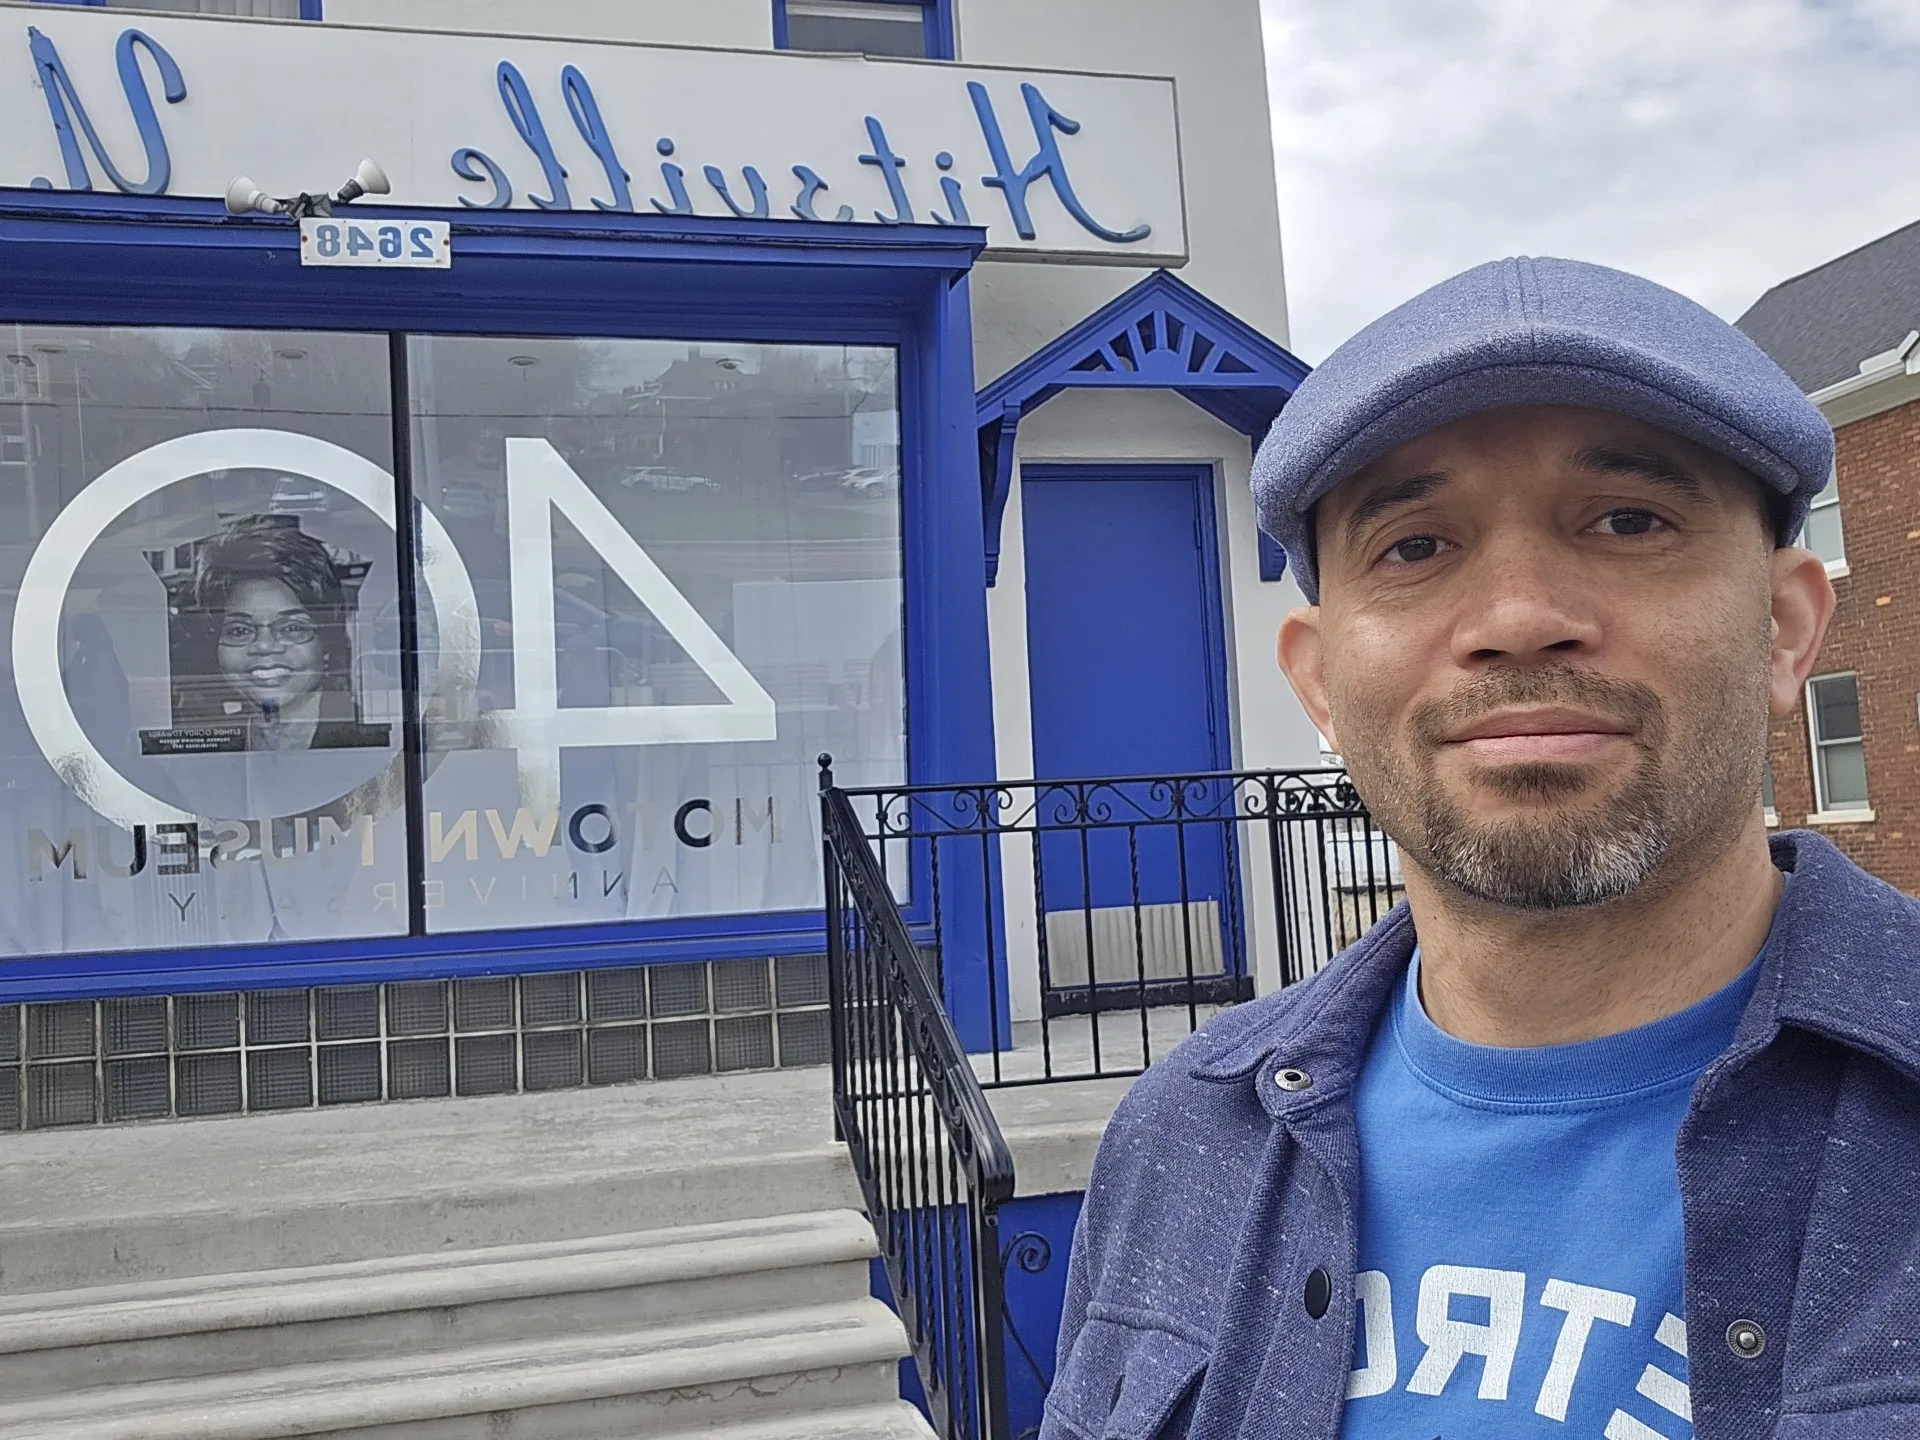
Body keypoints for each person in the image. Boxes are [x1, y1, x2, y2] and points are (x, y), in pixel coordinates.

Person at [1045, 258, 1920, 1439]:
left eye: (1627, 521)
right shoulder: (1183, 1140)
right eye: (1414, 546)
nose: (1516, 619)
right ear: (1317, 680)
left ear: (1785, 628)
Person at [187, 514, 382, 751]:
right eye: (239, 630)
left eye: (291, 628)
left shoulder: (371, 741)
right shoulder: (206, 748)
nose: (264, 646)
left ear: (326, 640)